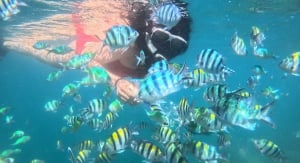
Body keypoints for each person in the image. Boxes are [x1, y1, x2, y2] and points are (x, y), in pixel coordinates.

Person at [1, 0, 191, 104]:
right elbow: (88, 59)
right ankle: (8, 42)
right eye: (160, 38)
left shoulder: (166, 50)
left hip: (125, 57)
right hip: (93, 43)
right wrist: (117, 81)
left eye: (178, 48)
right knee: (52, 55)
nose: (168, 53)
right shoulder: (127, 41)